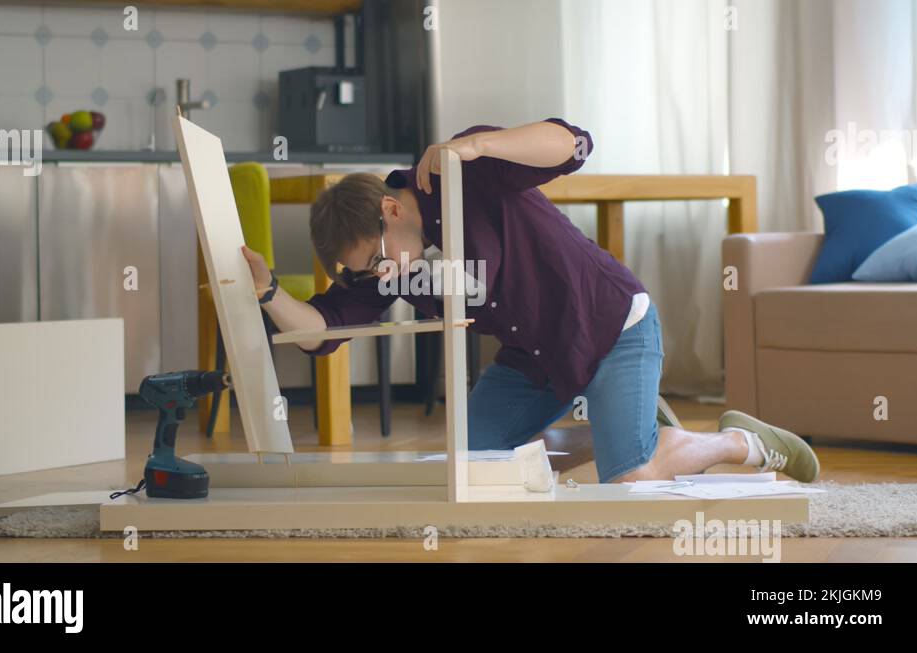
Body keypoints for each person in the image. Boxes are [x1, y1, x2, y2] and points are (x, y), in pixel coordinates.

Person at [242, 117, 820, 484]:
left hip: (612, 327)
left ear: (391, 210)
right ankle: (633, 421)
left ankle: (741, 441)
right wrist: (267, 290)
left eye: (374, 259)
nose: (378, 275)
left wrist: (479, 144)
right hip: (534, 361)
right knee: (466, 473)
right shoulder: (391, 264)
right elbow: (323, 328)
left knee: (631, 479)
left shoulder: (462, 173)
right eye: (366, 270)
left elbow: (574, 142)